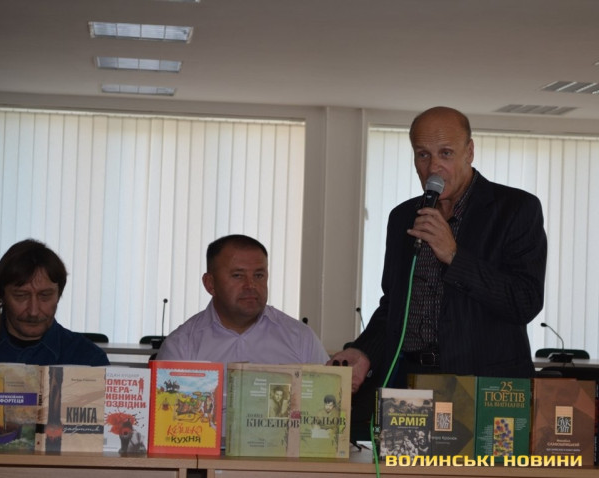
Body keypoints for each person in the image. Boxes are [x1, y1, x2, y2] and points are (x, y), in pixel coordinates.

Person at [329, 106, 547, 438]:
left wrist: (455, 256)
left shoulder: (516, 209)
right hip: (411, 383)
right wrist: (363, 350)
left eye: (446, 153)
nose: (433, 167)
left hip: (486, 388)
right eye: (423, 155)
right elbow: (395, 306)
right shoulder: (403, 217)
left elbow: (524, 301)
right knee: (406, 466)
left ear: (469, 151)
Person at [157, 234, 329, 366]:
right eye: (238, 276)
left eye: (258, 275)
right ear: (210, 284)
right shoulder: (181, 346)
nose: (250, 285)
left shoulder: (301, 339)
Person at [0, 239, 109, 366]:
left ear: (58, 295)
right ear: (1, 296)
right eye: (21, 296)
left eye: (45, 296)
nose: (33, 311)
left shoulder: (89, 359)